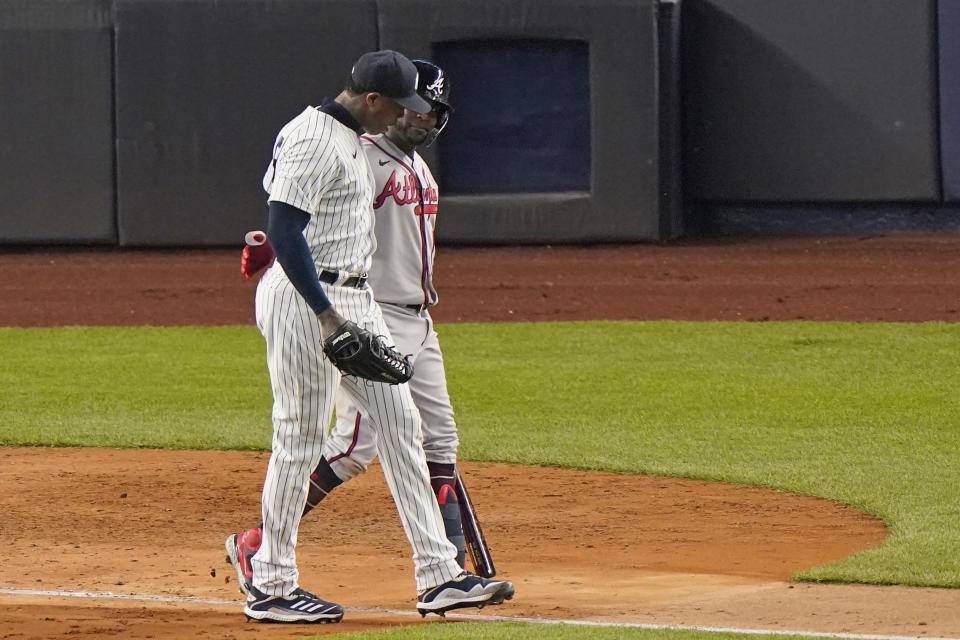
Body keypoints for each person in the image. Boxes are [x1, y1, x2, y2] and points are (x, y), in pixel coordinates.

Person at [226, 50, 514, 624]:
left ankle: (439, 574)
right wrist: (328, 315)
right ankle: (272, 581)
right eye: (399, 107)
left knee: (403, 427)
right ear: (372, 98)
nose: (405, 118)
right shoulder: (315, 137)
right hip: (313, 303)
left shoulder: (350, 136)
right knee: (301, 436)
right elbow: (286, 226)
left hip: (356, 297)